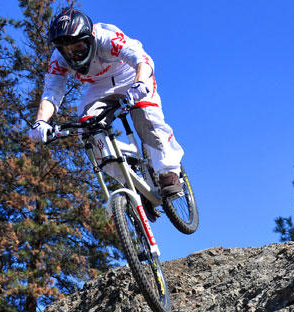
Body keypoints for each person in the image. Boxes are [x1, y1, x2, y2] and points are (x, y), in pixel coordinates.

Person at [29, 8, 185, 197]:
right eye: (66, 50)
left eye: (78, 47)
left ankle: (168, 172)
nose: (73, 54)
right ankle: (129, 178)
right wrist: (41, 122)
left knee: (145, 116)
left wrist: (140, 83)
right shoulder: (59, 59)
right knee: (86, 128)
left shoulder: (106, 38)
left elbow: (142, 59)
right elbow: (52, 91)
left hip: (131, 76)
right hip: (99, 88)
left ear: (89, 38)